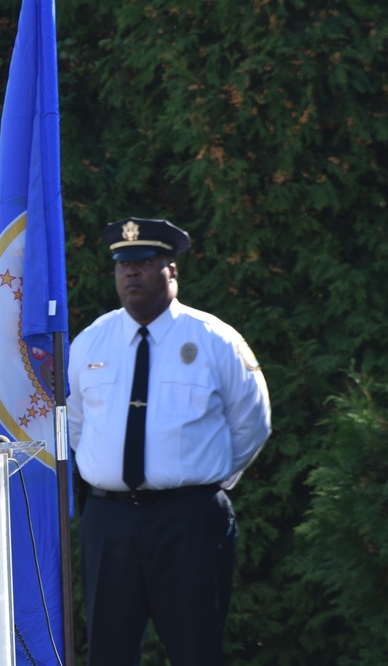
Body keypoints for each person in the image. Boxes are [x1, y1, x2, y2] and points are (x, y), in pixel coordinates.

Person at [67, 217, 271, 665]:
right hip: (110, 521)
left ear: (171, 271)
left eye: (144, 262)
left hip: (189, 521)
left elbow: (251, 424)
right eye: (123, 264)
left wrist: (205, 482)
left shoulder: (216, 340)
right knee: (108, 652)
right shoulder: (90, 343)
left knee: (196, 648)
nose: (131, 273)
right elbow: (78, 428)